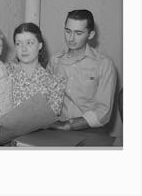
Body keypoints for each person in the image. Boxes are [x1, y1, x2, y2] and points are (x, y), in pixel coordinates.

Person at [48, 9, 117, 145]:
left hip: (91, 130)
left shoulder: (104, 64)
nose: (71, 38)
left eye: (78, 33)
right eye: (68, 31)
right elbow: (46, 99)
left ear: (90, 35)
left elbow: (104, 111)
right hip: (57, 128)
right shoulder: (55, 61)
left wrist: (70, 125)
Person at [6, 23, 66, 117]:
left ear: (40, 45)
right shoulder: (3, 73)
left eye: (29, 43)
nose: (23, 49)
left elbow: (53, 113)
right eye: (18, 43)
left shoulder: (54, 82)